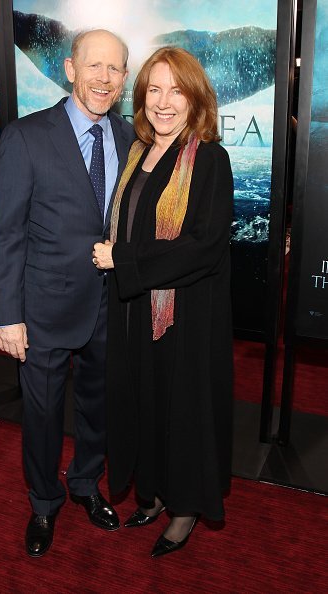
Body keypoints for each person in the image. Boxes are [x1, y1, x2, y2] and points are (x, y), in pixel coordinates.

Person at [0, 29, 134, 557]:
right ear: (71, 69)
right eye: (93, 66)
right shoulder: (25, 137)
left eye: (114, 69)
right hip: (43, 308)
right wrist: (8, 316)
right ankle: (44, 503)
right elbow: (5, 233)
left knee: (98, 408)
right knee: (44, 414)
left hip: (109, 305)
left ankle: (85, 485)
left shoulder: (127, 136)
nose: (103, 78)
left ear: (124, 77)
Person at [93, 47, 233, 558]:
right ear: (142, 96)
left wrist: (123, 259)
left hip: (185, 318)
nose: (164, 102)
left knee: (181, 409)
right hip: (134, 310)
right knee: (144, 402)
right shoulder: (138, 152)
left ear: (195, 98)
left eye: (176, 90)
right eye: (154, 89)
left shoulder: (209, 158)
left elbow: (203, 244)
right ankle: (150, 493)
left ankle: (185, 510)